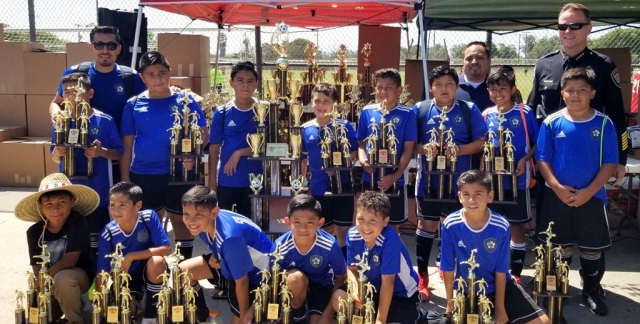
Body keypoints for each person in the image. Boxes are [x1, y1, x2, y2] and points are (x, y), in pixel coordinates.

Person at [536, 67, 618, 316]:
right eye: (570, 90)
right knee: (561, 247)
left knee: (591, 248)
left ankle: (591, 289)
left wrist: (589, 191)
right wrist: (558, 188)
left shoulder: (604, 123)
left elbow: (610, 162)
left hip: (591, 197)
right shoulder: (552, 122)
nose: (576, 95)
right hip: (558, 196)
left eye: (582, 90)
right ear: (562, 93)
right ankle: (559, 291)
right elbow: (542, 159)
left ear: (592, 93)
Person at [120, 51, 209, 259]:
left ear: (169, 73)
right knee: (151, 221)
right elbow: (127, 143)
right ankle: (154, 271)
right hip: (144, 173)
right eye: (150, 74)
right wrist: (125, 180)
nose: (157, 79)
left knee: (182, 219)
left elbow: (203, 134)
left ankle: (183, 270)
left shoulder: (186, 101)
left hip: (180, 174)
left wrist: (193, 153)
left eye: (162, 73)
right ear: (142, 78)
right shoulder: (133, 104)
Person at [527, 3, 626, 183]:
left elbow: (617, 114)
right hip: (547, 158)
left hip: (588, 158)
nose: (567, 31)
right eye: (562, 26)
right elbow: (531, 111)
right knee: (547, 209)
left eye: (575, 26)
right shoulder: (544, 64)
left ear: (588, 29)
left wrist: (621, 159)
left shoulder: (603, 66)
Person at [413, 65, 487, 300]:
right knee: (427, 226)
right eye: (438, 85)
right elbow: (410, 143)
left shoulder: (468, 109)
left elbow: (481, 141)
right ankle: (422, 276)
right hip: (428, 181)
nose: (444, 89)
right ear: (431, 88)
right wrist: (425, 149)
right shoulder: (421, 109)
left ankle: (457, 275)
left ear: (457, 86)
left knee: (457, 227)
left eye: (449, 84)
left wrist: (457, 150)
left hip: (460, 185)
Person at [441, 170, 550, 324]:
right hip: (467, 290)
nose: (472, 200)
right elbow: (447, 266)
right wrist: (450, 304)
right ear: (459, 197)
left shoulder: (501, 226)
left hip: (500, 287)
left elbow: (501, 269)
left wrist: (499, 307)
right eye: (466, 194)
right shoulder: (450, 224)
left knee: (543, 322)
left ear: (490, 196)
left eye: (478, 194)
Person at [49, 26, 146, 184]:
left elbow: (149, 100)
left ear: (119, 48)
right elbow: (56, 103)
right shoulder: (76, 73)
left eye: (111, 45)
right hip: (81, 152)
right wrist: (56, 115)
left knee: (115, 201)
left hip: (118, 153)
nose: (105, 50)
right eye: (99, 44)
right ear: (91, 47)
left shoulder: (130, 77)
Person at [51, 72, 123, 259]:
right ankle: (76, 279)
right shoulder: (60, 121)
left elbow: (119, 152)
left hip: (98, 192)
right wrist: (58, 153)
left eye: (77, 91)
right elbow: (54, 157)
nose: (71, 96)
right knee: (72, 241)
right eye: (66, 92)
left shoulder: (104, 120)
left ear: (90, 93)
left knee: (97, 241)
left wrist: (102, 152)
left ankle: (97, 277)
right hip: (69, 192)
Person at [179, 185, 272, 324]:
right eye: (186, 214)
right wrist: (214, 255)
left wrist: (243, 317)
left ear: (214, 212)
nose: (191, 221)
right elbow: (221, 246)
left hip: (257, 278)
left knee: (239, 320)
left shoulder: (230, 239)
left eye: (198, 214)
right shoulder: (205, 224)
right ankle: (202, 317)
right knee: (184, 272)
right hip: (231, 263)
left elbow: (243, 281)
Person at [16, 173, 99, 324]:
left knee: (64, 278)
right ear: (40, 207)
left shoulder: (78, 222)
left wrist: (42, 279)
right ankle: (64, 306)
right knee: (39, 317)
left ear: (72, 201)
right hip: (49, 281)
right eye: (49, 204)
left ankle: (74, 321)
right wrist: (38, 286)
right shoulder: (34, 232)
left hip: (77, 277)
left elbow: (70, 261)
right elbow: (37, 269)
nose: (56, 208)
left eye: (62, 202)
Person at [482, 67, 539, 283]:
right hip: (493, 183)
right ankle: (491, 269)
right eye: (493, 89)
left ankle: (515, 272)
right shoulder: (486, 114)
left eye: (503, 89)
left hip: (518, 181)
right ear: (488, 91)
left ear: (513, 89)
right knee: (492, 224)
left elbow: (536, 143)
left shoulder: (524, 113)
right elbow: (482, 145)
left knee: (517, 225)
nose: (498, 93)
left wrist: (524, 160)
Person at [331, 191, 421, 323]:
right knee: (339, 298)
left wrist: (380, 320)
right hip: (371, 290)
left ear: (385, 221)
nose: (365, 226)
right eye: (361, 219)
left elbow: (388, 283)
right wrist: (355, 290)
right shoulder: (352, 235)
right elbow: (351, 269)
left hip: (401, 295)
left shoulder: (390, 239)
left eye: (373, 220)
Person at [97, 182, 170, 323]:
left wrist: (131, 256)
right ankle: (137, 302)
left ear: (138, 205)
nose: (116, 210)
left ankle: (151, 314)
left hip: (150, 271)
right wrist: (102, 305)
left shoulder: (148, 218)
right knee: (128, 310)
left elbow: (166, 249)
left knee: (157, 261)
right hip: (126, 276)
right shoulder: (107, 233)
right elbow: (102, 272)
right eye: (112, 205)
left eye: (122, 205)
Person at [301, 83, 358, 256]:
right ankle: (328, 267)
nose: (321, 105)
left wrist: (339, 166)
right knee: (325, 230)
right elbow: (304, 159)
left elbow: (355, 152)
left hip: (343, 186)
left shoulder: (344, 126)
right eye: (317, 101)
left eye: (326, 101)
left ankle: (345, 269)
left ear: (334, 103)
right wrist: (302, 182)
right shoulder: (306, 129)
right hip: (319, 187)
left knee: (343, 230)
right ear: (311, 102)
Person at [271, 194, 347, 323]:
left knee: (318, 322)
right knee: (295, 278)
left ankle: (318, 315)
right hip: (295, 288)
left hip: (321, 286)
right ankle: (298, 316)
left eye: (310, 222)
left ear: (320, 223)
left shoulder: (329, 245)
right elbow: (274, 280)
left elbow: (341, 278)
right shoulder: (280, 246)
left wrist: (327, 316)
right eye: (297, 222)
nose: (303, 228)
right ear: (288, 222)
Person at [357, 68, 416, 230]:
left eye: (388, 87)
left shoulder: (408, 114)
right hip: (371, 177)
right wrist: (363, 161)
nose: (383, 91)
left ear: (399, 90)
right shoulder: (367, 112)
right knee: (368, 222)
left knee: (393, 225)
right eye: (379, 87)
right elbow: (361, 143)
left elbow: (408, 149)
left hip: (396, 180)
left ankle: (390, 255)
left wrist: (395, 176)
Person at [208, 61, 264, 218]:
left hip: (255, 181)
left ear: (256, 84)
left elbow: (270, 146)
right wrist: (212, 184)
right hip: (228, 182)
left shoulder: (264, 111)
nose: (245, 85)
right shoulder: (222, 112)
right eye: (240, 81)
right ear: (231, 83)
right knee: (228, 230)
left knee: (253, 229)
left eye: (250, 81)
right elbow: (214, 149)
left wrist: (239, 153)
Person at [455, 41, 493, 111]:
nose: (474, 62)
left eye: (479, 58)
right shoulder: (452, 86)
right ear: (462, 62)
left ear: (488, 61)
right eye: (469, 58)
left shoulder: (499, 87)